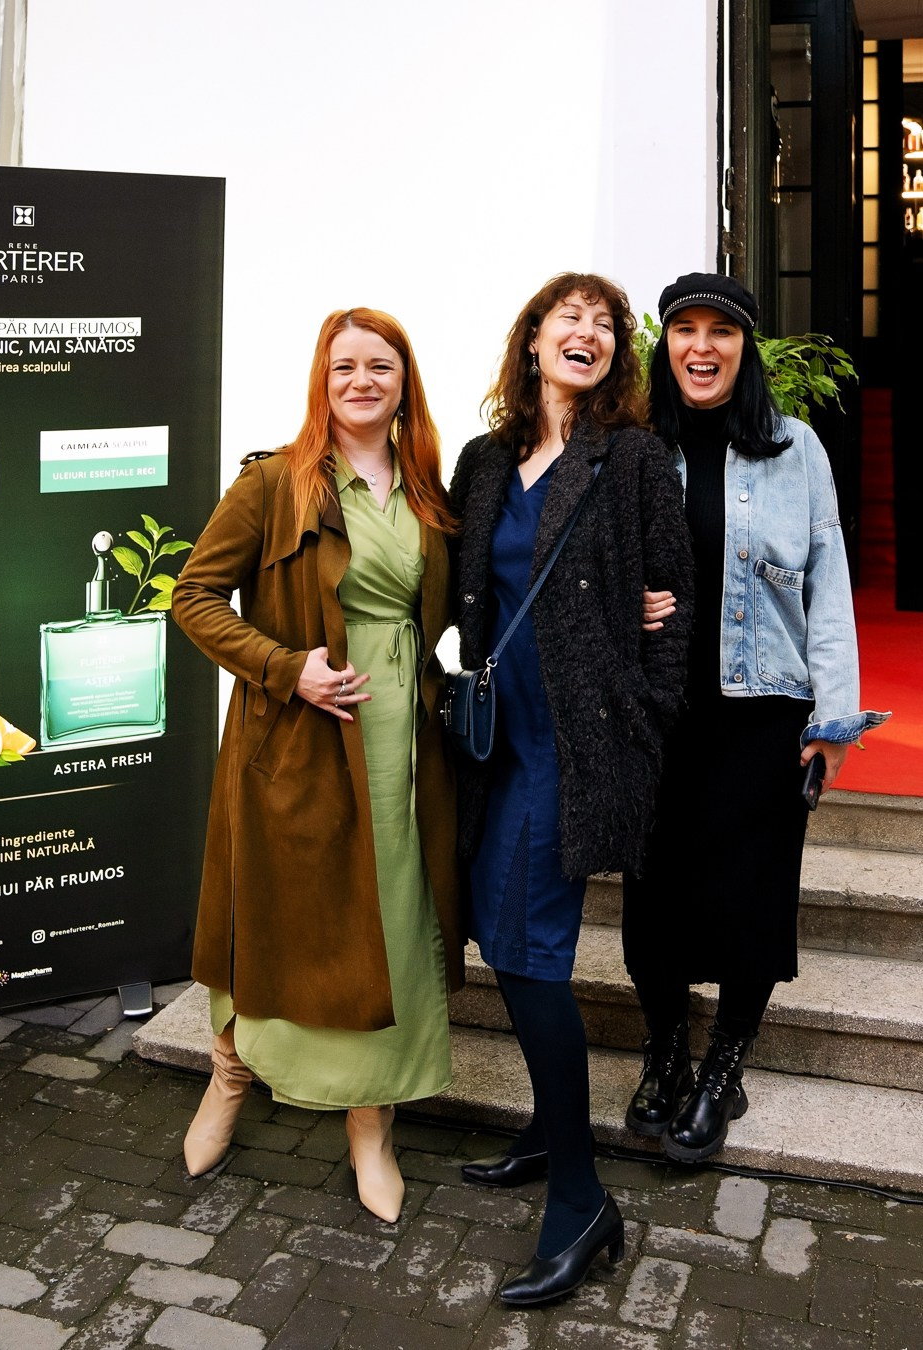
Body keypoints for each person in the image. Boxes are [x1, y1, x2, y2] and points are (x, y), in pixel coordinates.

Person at [170, 307, 464, 1225]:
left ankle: (370, 1124)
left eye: (380, 366)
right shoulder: (274, 482)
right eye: (344, 367)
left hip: (402, 740)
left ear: (404, 384)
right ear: (321, 381)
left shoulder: (428, 491)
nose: (361, 381)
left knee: (391, 920)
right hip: (298, 739)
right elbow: (193, 596)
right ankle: (229, 1074)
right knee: (280, 915)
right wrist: (282, 666)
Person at [449, 273, 694, 1305]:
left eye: (604, 323)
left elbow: (673, 598)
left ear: (613, 353)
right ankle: (553, 1134)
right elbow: (459, 586)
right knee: (501, 941)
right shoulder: (485, 460)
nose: (587, 331)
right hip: (498, 744)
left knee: (531, 952)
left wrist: (647, 708)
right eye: (570, 317)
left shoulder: (631, 457)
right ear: (534, 340)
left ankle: (582, 1201)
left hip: (577, 746)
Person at [624, 272, 890, 1164]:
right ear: (665, 346)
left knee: (752, 896)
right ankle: (665, 1051)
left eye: (721, 332)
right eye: (685, 330)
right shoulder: (633, 447)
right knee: (653, 895)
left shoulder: (795, 448)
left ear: (745, 348)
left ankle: (723, 1066)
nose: (701, 348)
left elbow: (827, 585)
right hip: (657, 713)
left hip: (763, 712)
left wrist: (833, 719)